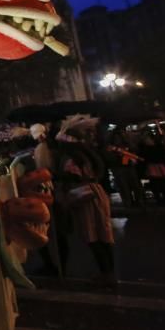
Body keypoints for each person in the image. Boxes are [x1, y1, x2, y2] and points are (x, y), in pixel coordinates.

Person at [56, 123, 116, 288]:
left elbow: (73, 177)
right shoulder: (88, 153)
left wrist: (58, 176)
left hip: (84, 195)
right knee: (104, 233)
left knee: (92, 235)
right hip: (97, 191)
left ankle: (105, 273)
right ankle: (109, 271)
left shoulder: (71, 157)